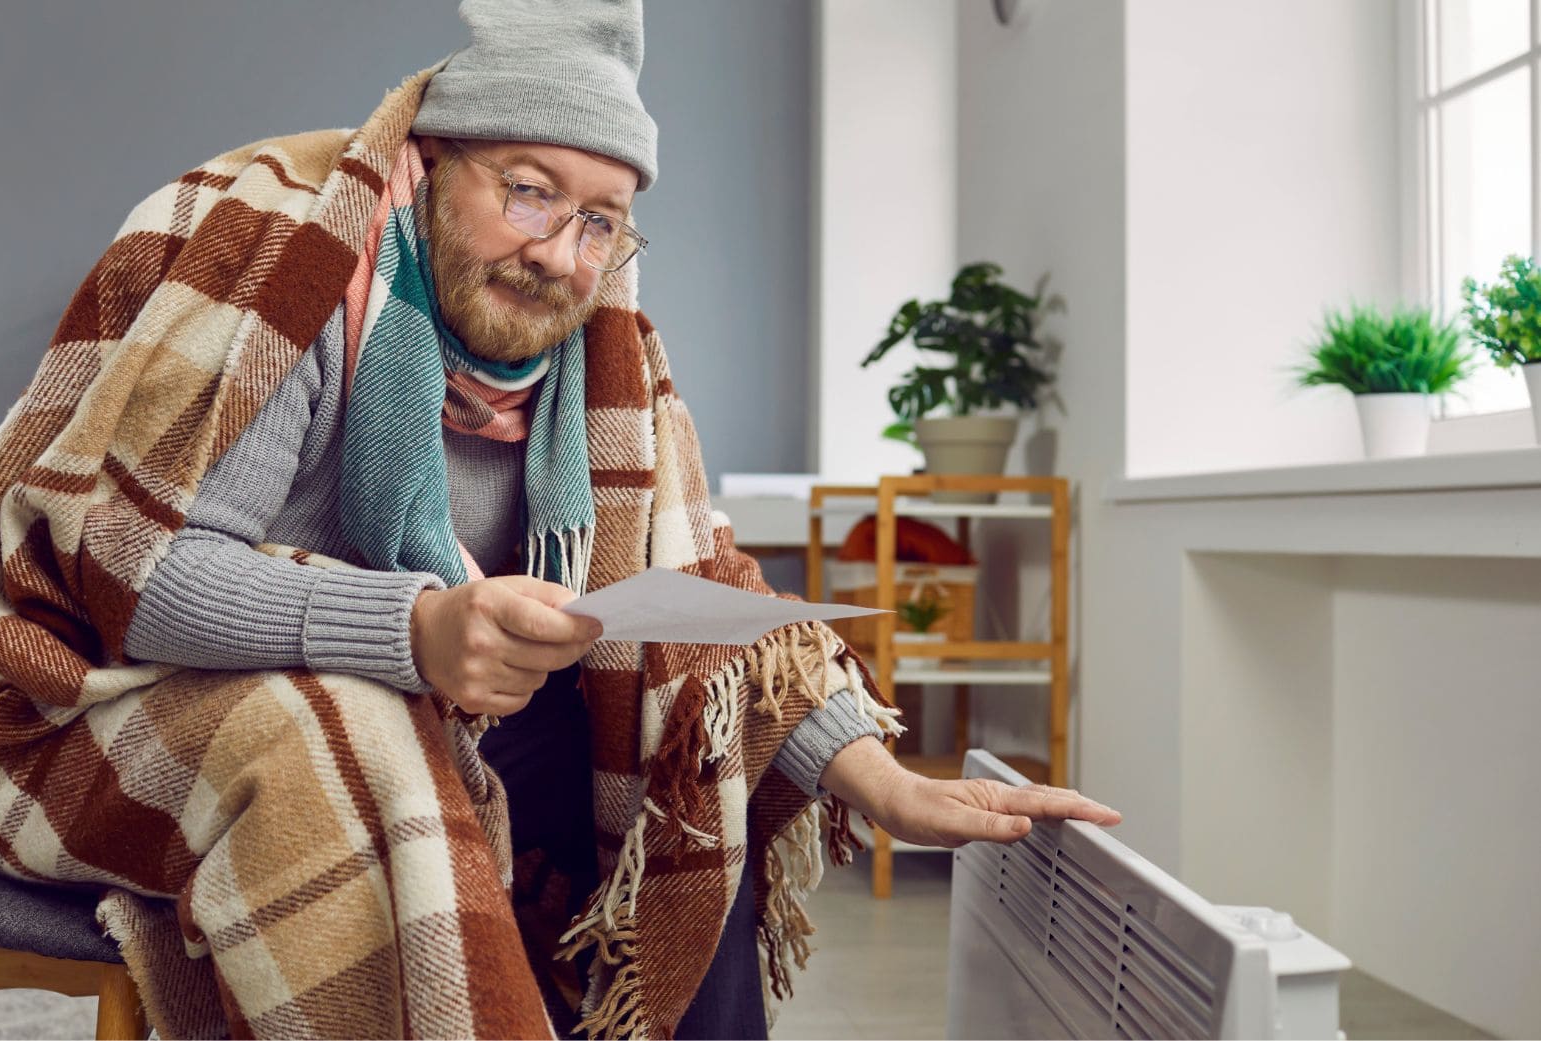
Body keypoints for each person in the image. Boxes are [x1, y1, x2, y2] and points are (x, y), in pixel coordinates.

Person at [108, 0, 1118, 1036]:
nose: (556, 255)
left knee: (667, 744)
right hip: (219, 711)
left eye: (597, 220)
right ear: (427, 168)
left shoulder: (606, 360)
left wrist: (881, 783)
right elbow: (137, 578)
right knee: (362, 742)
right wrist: (412, 630)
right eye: (528, 192)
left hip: (456, 721)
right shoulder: (302, 293)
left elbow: (700, 598)